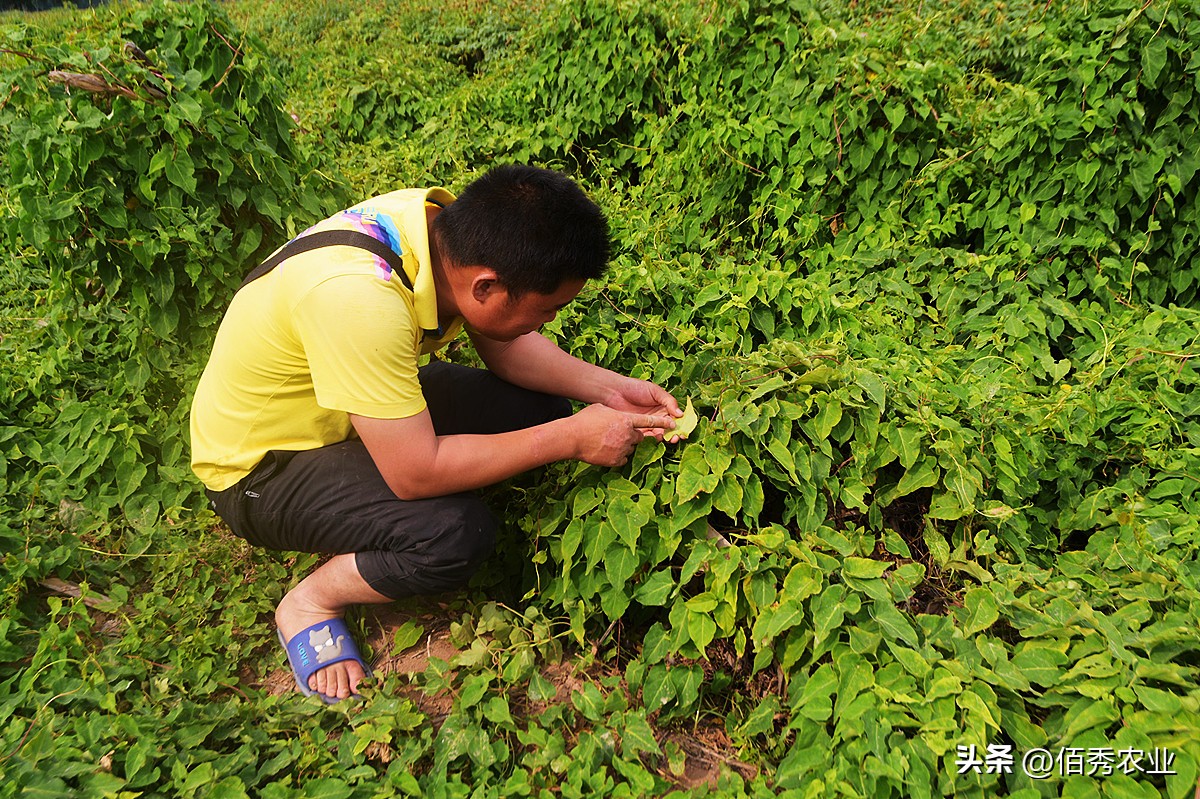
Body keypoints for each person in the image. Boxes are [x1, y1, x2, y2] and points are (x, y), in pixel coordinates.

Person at [190, 164, 680, 702]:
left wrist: (608, 391)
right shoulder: (360, 300)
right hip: (263, 468)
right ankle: (312, 599)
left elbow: (504, 340)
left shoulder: (434, 230)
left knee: (539, 409)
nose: (544, 324)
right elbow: (415, 473)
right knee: (453, 533)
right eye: (547, 310)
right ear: (487, 286)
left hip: (352, 402)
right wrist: (572, 438)